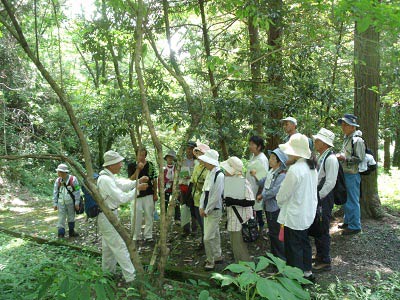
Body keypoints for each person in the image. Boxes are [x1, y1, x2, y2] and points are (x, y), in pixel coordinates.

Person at [97, 150, 148, 282]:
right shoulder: (105, 180)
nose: (121, 165)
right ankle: (131, 278)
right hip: (106, 217)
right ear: (111, 165)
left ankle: (107, 273)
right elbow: (121, 198)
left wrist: (137, 182)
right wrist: (137, 190)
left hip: (110, 215)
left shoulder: (109, 177)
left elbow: (123, 185)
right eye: (118, 162)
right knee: (119, 246)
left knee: (109, 247)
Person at [276, 134, 318, 282]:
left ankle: (296, 280)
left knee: (293, 249)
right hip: (307, 213)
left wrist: (279, 201)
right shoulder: (311, 167)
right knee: (304, 244)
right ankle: (307, 273)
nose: (287, 153)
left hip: (294, 215)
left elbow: (283, 195)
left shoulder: (295, 170)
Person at [312, 128, 339, 272]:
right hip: (319, 196)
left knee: (323, 228)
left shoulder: (331, 159)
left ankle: (325, 260)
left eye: (317, 140)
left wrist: (319, 196)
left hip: (324, 197)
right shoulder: (322, 156)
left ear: (324, 143)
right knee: (318, 226)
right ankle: (320, 255)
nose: (315, 142)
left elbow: (330, 182)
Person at [221, 156, 254, 263]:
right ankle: (239, 267)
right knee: (235, 245)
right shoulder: (231, 180)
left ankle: (246, 270)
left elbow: (251, 201)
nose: (224, 171)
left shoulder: (242, 182)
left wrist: (233, 201)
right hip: (233, 219)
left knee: (239, 246)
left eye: (227, 169)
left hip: (240, 220)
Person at [337, 114, 365, 235]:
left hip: (352, 174)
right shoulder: (347, 138)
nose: (343, 127)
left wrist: (344, 159)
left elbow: (360, 158)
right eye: (342, 124)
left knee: (352, 200)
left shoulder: (357, 140)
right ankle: (347, 221)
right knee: (346, 199)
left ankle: (355, 226)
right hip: (345, 173)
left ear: (353, 127)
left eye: (346, 124)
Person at [257, 148, 288, 260]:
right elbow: (263, 182)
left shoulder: (282, 175)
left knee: (276, 234)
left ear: (279, 161)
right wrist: (255, 176)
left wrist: (262, 195)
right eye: (270, 157)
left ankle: (281, 260)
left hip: (275, 208)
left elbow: (275, 190)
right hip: (268, 207)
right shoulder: (271, 171)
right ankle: (275, 257)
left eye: (273, 158)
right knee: (273, 233)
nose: (270, 160)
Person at [199, 149, 224, 271]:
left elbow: (215, 196)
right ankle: (217, 255)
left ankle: (210, 260)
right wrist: (201, 206)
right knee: (214, 233)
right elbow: (204, 191)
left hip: (214, 210)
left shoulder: (220, 175)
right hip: (206, 209)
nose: (204, 163)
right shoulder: (209, 173)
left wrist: (207, 210)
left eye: (206, 161)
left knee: (207, 237)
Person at [127, 147, 158, 243]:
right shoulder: (131, 165)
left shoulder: (150, 165)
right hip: (136, 194)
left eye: (143, 155)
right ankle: (136, 236)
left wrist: (155, 193)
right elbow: (131, 180)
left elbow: (154, 179)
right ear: (136, 155)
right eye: (140, 155)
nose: (142, 157)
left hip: (148, 193)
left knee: (149, 215)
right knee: (136, 215)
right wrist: (138, 169)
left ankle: (148, 235)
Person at [190, 142, 210, 249]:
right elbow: (193, 180)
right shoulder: (197, 166)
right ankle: (203, 241)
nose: (198, 156)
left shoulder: (208, 168)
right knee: (200, 222)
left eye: (200, 154)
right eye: (196, 154)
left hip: (204, 199)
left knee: (205, 223)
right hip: (196, 198)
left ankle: (207, 243)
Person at [53, 163, 81, 238]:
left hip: (71, 202)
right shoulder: (58, 180)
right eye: (58, 171)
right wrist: (55, 203)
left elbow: (77, 191)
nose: (58, 173)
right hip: (61, 202)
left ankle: (71, 232)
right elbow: (55, 192)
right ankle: (61, 233)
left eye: (59, 171)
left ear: (64, 172)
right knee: (61, 217)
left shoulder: (73, 179)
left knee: (71, 217)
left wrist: (77, 202)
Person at [247, 136, 269, 232]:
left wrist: (259, 192)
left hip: (257, 190)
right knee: (253, 210)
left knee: (258, 210)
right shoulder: (253, 156)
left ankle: (260, 228)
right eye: (250, 144)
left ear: (259, 147)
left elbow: (263, 178)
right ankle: (254, 229)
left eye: (252, 144)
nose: (250, 146)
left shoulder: (262, 159)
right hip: (251, 188)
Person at [179, 141, 197, 236]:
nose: (189, 151)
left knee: (194, 207)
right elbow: (178, 173)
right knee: (184, 207)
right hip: (184, 187)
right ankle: (186, 229)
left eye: (191, 149)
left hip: (194, 187)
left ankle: (194, 228)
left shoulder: (197, 161)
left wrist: (191, 177)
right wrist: (184, 176)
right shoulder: (182, 161)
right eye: (188, 148)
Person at [161, 149, 180, 221]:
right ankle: (164, 217)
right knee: (165, 202)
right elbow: (160, 179)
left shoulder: (176, 168)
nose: (170, 159)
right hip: (166, 187)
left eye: (172, 157)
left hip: (175, 187)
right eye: (168, 157)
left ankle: (177, 218)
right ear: (166, 159)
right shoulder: (163, 169)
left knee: (176, 202)